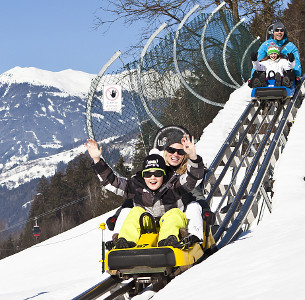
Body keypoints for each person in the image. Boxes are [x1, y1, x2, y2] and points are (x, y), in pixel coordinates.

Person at [85, 135, 205, 248]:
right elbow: (111, 181)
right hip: (147, 222)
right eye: (148, 174)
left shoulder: (174, 184)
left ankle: (168, 241)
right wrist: (97, 159)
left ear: (164, 174)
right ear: (143, 176)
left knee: (175, 213)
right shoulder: (135, 185)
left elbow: (193, 178)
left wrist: (193, 157)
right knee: (135, 211)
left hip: (169, 223)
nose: (152, 177)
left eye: (157, 174)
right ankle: (125, 241)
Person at [249, 21, 301, 87]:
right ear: (273, 32)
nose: (279, 32)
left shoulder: (290, 46)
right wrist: (252, 77)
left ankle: (286, 82)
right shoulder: (265, 45)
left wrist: (297, 77)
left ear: (284, 32)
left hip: (283, 72)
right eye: (277, 30)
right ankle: (258, 83)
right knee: (259, 71)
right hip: (268, 73)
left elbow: (296, 63)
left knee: (289, 71)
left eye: (281, 30)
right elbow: (259, 63)